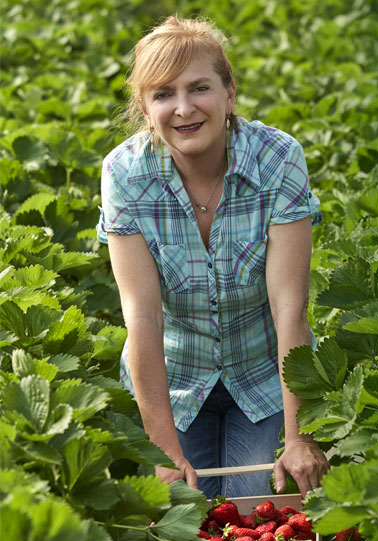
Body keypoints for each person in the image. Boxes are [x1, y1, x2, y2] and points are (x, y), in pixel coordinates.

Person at [97, 15, 329, 499]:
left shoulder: (277, 159)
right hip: (176, 382)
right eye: (163, 94)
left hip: (263, 378)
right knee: (187, 512)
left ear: (229, 94)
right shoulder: (125, 174)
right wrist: (163, 450)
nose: (184, 109)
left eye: (199, 87)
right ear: (144, 108)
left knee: (257, 506)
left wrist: (298, 436)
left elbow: (290, 309)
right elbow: (142, 318)